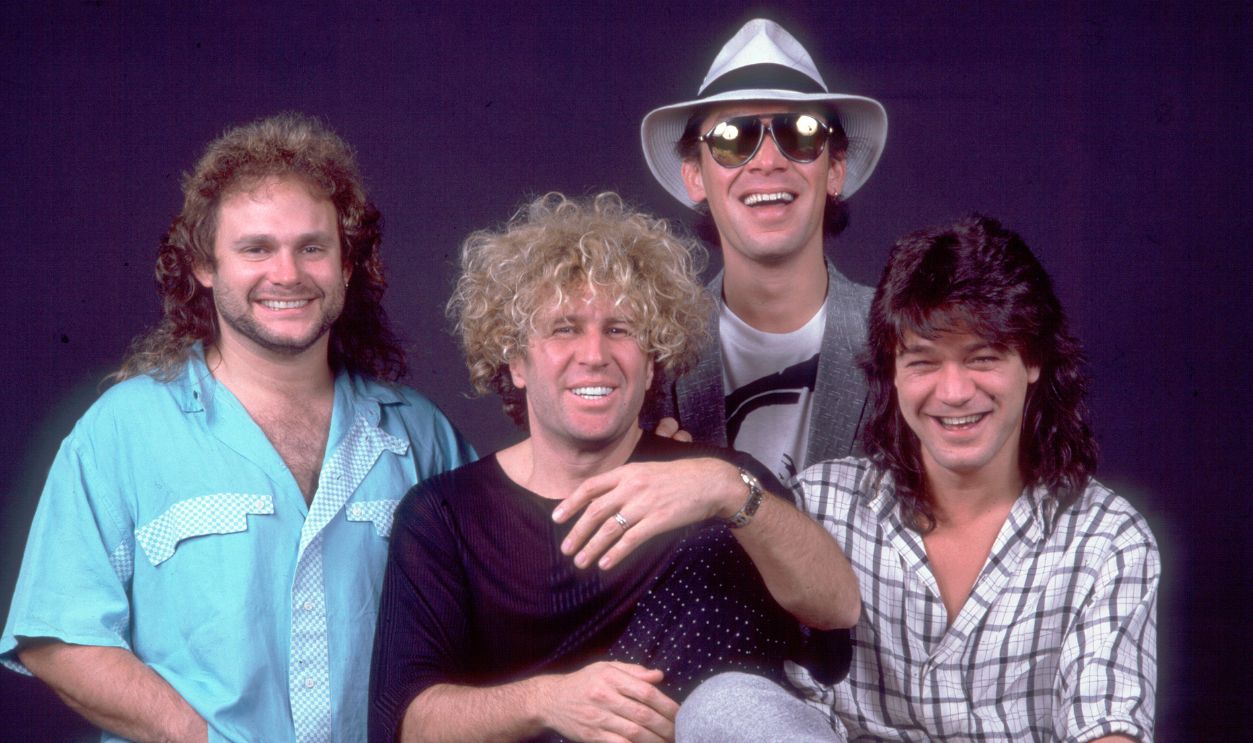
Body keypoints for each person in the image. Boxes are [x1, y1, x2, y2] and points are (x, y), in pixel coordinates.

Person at [0, 113, 475, 742]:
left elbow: (502, 603)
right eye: (256, 248)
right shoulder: (123, 430)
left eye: (312, 247)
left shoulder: (422, 435)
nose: (288, 273)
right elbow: (59, 637)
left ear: (347, 264)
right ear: (204, 265)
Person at [368, 193, 859, 743]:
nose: (594, 354)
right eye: (564, 328)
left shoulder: (723, 484)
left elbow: (837, 608)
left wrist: (728, 491)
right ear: (516, 360)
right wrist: (548, 701)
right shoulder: (444, 513)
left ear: (651, 364)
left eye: (620, 329)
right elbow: (406, 722)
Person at [676, 215, 1159, 741]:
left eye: (982, 358)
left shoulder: (1107, 538)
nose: (953, 393)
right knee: (723, 701)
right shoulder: (819, 505)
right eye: (923, 362)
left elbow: (1109, 726)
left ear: (1033, 360)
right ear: (893, 371)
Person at [640, 18, 888, 484]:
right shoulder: (647, 357)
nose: (768, 161)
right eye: (732, 138)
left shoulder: (902, 340)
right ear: (695, 176)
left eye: (801, 133)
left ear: (835, 170)